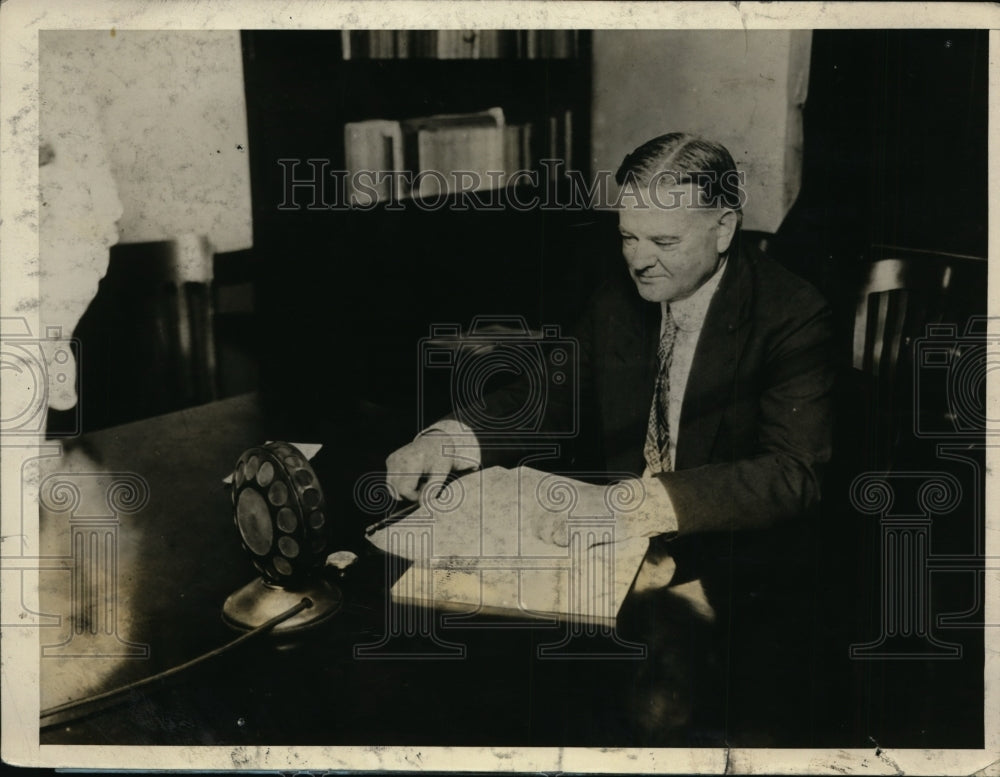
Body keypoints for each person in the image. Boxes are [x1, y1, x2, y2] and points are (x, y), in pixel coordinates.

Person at [384, 132, 834, 742]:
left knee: (652, 718)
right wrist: (448, 439)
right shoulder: (621, 297)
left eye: (663, 241)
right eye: (627, 236)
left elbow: (792, 473)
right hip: (613, 559)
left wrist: (627, 506)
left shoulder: (792, 312)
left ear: (724, 228)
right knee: (466, 669)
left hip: (729, 563)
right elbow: (552, 393)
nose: (638, 259)